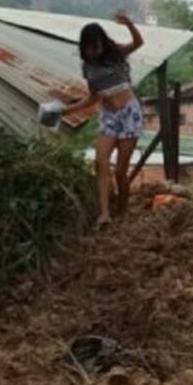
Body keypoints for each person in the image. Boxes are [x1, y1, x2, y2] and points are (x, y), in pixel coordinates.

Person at [63, 12, 145, 226]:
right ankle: (105, 213)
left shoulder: (116, 53)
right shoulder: (87, 67)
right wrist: (66, 110)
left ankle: (124, 212)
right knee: (101, 164)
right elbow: (92, 97)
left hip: (129, 113)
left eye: (96, 46)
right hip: (109, 116)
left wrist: (130, 24)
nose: (93, 52)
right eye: (88, 48)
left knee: (120, 172)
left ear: (102, 43)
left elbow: (138, 42)